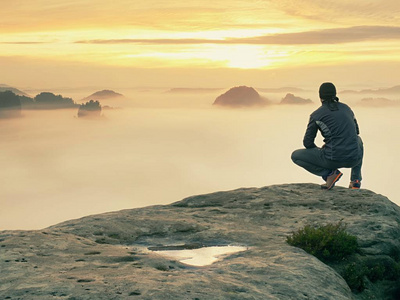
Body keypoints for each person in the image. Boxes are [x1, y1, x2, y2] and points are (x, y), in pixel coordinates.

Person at [291, 82, 363, 190]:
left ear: (320, 97)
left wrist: (322, 150)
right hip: (353, 159)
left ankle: (329, 174)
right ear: (335, 94)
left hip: (332, 160)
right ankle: (355, 180)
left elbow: (307, 143)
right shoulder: (347, 109)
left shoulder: (316, 115)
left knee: (295, 156)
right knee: (358, 140)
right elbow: (356, 132)